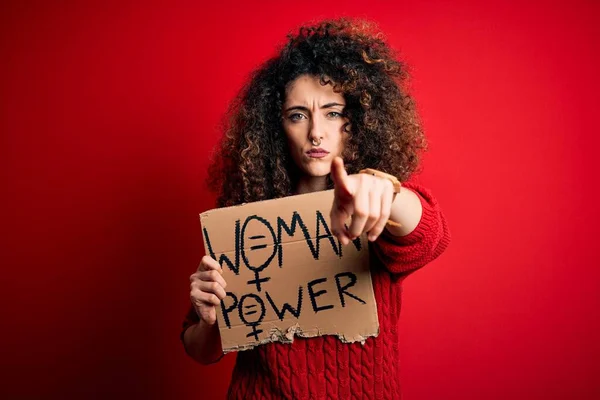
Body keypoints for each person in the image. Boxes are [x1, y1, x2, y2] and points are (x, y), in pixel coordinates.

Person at [181, 17, 451, 399]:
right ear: (277, 129)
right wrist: (209, 316)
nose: (316, 132)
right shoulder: (248, 225)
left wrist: (385, 191)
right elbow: (201, 350)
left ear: (355, 122)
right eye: (297, 115)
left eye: (332, 112)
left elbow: (430, 235)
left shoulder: (373, 209)